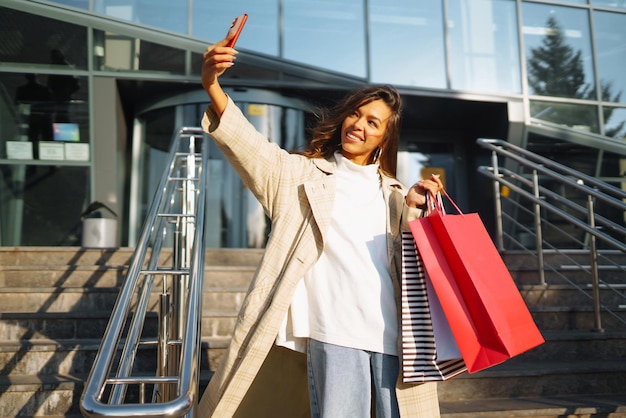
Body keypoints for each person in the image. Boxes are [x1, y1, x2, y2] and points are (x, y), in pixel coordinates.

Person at [198, 32, 444, 418]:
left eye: (372, 122)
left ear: (384, 139)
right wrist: (212, 84)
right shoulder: (299, 175)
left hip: (394, 335)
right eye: (355, 113)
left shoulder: (395, 194)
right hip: (336, 330)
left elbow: (409, 266)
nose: (358, 124)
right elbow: (249, 146)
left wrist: (417, 210)